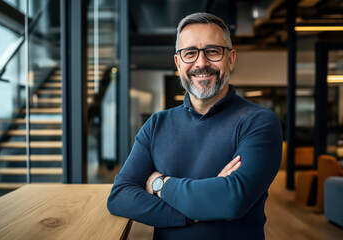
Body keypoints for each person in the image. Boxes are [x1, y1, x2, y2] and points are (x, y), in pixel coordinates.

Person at [107, 12, 282, 240]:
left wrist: (160, 184)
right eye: (190, 53)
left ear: (231, 58)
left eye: (213, 51)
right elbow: (120, 196)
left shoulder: (258, 122)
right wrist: (199, 211)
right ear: (178, 63)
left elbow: (231, 200)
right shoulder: (156, 124)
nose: (201, 63)